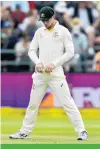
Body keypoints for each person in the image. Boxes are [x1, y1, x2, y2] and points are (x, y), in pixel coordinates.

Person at [9, 6, 88, 140]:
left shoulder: (63, 31)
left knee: (68, 103)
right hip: (40, 75)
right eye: (42, 20)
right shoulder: (39, 32)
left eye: (46, 20)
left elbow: (70, 52)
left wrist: (55, 64)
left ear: (53, 17)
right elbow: (31, 51)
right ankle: (24, 132)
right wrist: (38, 62)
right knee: (33, 105)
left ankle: (81, 131)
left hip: (56, 75)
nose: (44, 23)